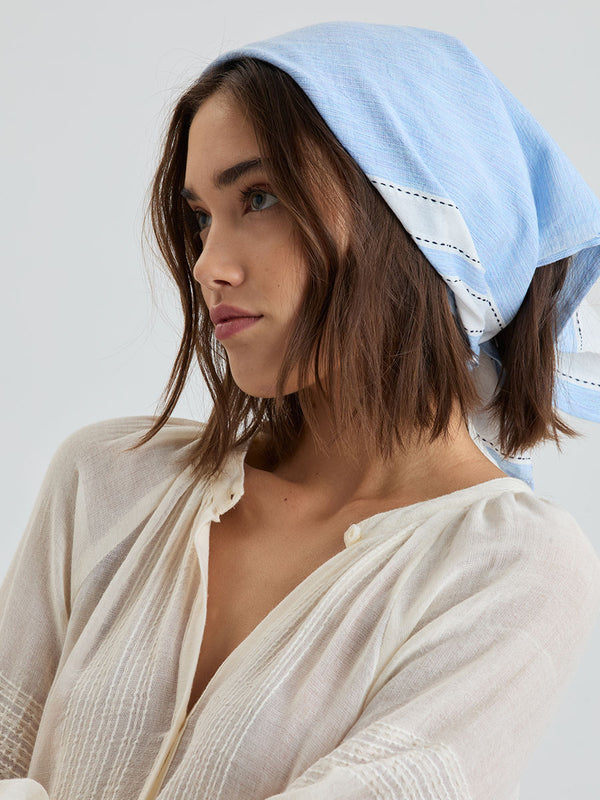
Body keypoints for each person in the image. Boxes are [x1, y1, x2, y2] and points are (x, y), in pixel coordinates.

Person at [1, 20, 599, 800]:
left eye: (259, 197)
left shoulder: (508, 565)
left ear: (414, 219)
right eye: (200, 219)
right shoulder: (107, 482)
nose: (210, 265)